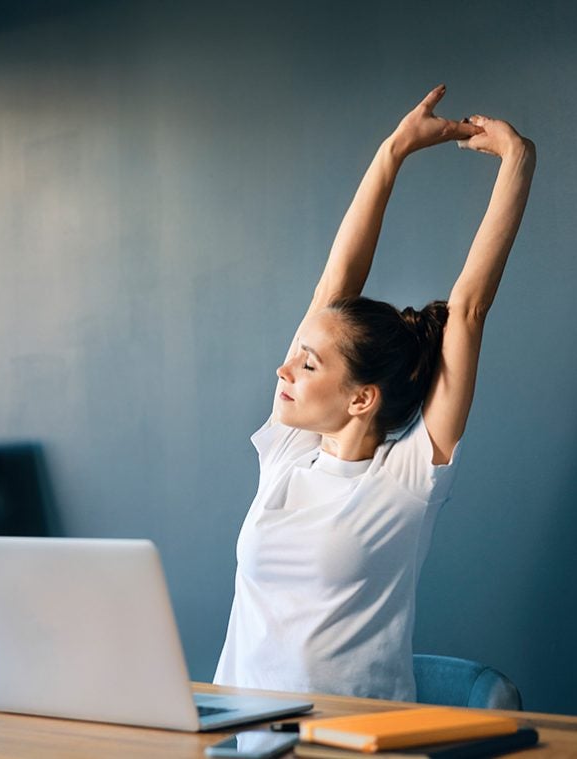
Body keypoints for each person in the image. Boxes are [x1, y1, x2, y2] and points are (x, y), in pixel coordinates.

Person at [213, 85, 536, 701]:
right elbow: (333, 289)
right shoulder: (288, 453)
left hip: (360, 744)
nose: (283, 371)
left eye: (307, 365)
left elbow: (468, 309)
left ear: (361, 398)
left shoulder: (408, 478)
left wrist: (518, 162)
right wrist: (392, 152)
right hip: (243, 739)